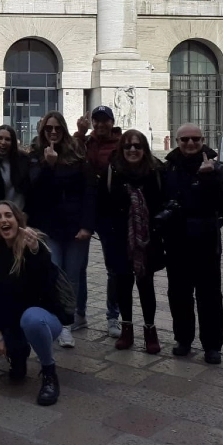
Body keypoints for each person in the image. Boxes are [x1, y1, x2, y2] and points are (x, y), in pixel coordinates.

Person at [0, 201, 64, 406]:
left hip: (43, 319)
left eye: (8, 215)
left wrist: (35, 252)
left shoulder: (35, 246)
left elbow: (46, 289)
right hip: (10, 322)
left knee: (30, 318)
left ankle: (49, 373)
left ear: (18, 219)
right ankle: (17, 353)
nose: (3, 220)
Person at [162, 124, 223, 365]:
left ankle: (212, 346)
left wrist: (208, 177)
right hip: (177, 239)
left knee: (209, 294)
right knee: (178, 293)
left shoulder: (216, 167)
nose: (190, 143)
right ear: (177, 141)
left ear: (203, 140)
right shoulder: (168, 167)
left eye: (195, 139)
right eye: (185, 139)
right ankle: (183, 339)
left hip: (206, 239)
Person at [27, 111, 96, 348]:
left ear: (64, 130)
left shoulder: (77, 153)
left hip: (76, 225)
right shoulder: (36, 154)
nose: (53, 132)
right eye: (49, 128)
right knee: (54, 272)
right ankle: (59, 320)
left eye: (57, 128)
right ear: (43, 130)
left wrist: (87, 225)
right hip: (49, 226)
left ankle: (69, 321)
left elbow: (89, 191)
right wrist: (48, 165)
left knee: (73, 275)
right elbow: (34, 189)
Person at [101, 130, 165, 354]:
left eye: (137, 146)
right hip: (120, 239)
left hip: (148, 238)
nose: (132, 150)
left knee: (146, 285)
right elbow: (103, 204)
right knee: (123, 285)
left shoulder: (156, 171)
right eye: (127, 146)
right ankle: (126, 328)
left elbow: (164, 201)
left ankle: (150, 330)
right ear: (121, 149)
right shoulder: (112, 171)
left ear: (144, 149)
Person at [75, 105, 124, 339]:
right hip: (85, 210)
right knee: (78, 267)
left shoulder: (123, 143)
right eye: (97, 120)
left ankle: (113, 316)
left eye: (105, 120)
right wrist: (78, 134)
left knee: (113, 268)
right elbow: (70, 154)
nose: (101, 124)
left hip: (110, 213)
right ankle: (78, 313)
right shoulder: (85, 142)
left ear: (112, 122)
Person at [0, 124, 29, 210]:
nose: (3, 142)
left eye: (7, 139)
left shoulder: (24, 159)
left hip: (20, 213)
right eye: (0, 138)